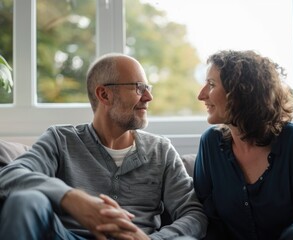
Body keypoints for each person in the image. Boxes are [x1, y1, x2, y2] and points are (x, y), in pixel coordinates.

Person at [0, 53, 207, 240]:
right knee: (26, 201)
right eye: (138, 88)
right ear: (104, 95)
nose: (148, 97)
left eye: (147, 88)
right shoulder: (60, 139)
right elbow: (8, 176)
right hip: (69, 236)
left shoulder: (161, 150)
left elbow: (194, 214)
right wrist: (70, 198)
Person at [193, 50, 293, 240]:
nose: (201, 95)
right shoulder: (211, 144)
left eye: (211, 85)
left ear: (240, 92)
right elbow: (208, 216)